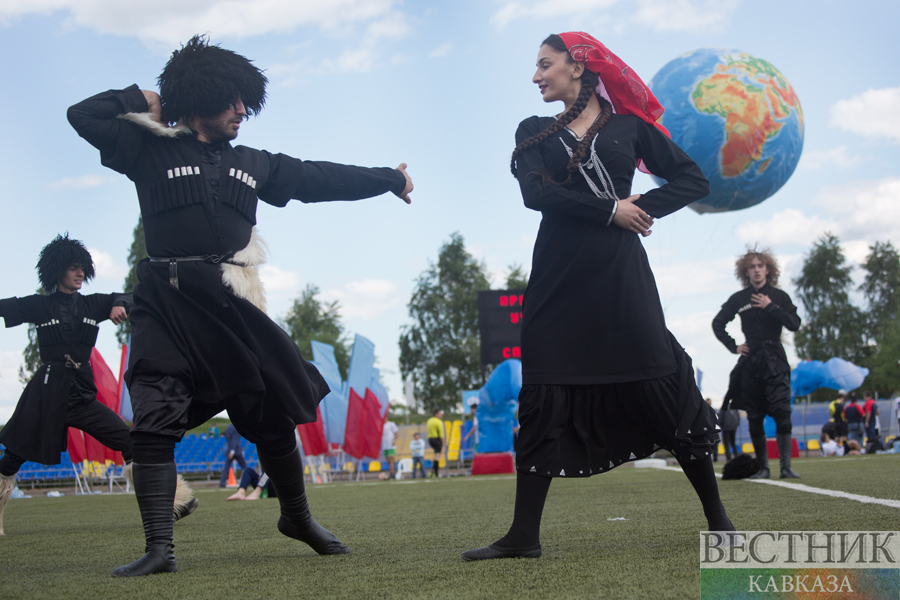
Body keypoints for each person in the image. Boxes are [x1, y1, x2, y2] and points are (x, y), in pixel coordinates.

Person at [68, 34, 413, 576]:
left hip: (229, 302)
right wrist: (143, 96)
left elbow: (317, 178)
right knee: (154, 421)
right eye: (232, 100)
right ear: (200, 96)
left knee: (271, 415)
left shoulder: (253, 162)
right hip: (164, 302)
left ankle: (296, 517)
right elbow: (81, 114)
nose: (242, 111)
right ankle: (160, 549)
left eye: (246, 101)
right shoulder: (147, 147)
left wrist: (388, 180)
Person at [463, 32, 733, 562]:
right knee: (544, 392)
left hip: (621, 277)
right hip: (558, 280)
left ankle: (720, 521)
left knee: (663, 381)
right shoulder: (533, 130)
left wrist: (642, 207)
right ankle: (524, 536)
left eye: (545, 64)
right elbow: (535, 193)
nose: (536, 75)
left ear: (578, 66)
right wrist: (612, 210)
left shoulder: (629, 127)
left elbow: (692, 179)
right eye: (536, 66)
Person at [0, 235, 197, 536]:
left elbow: (136, 297)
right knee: (11, 458)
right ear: (57, 271)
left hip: (81, 397)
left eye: (83, 269)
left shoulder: (94, 304)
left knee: (131, 441)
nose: (80, 274)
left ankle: (172, 503)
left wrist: (119, 304)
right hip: (45, 396)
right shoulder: (39, 306)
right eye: (73, 268)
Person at [714, 248, 801, 479]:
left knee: (783, 412)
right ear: (746, 271)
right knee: (754, 415)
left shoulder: (779, 296)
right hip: (750, 361)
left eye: (760, 265)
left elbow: (795, 323)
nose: (756, 270)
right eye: (752, 267)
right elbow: (717, 323)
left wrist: (770, 307)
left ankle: (786, 467)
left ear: (768, 269)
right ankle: (763, 467)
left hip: (775, 358)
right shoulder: (739, 299)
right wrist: (734, 347)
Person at [219, 423, 248, 487]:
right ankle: (250, 482)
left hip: (230, 450)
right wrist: (232, 451)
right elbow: (234, 440)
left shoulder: (228, 428)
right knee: (245, 468)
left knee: (226, 468)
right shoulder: (236, 427)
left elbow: (229, 440)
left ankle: (222, 483)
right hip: (236, 450)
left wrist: (231, 450)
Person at [426, 409, 445, 479]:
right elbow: (441, 434)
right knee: (437, 456)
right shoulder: (439, 421)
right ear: (436, 414)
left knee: (436, 456)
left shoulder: (429, 421)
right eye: (440, 414)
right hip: (437, 440)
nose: (441, 415)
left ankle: (433, 471)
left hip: (430, 440)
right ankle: (435, 473)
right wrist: (442, 443)